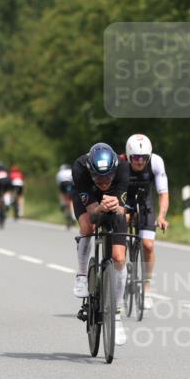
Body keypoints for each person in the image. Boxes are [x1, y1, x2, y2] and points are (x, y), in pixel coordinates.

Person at [72, 143, 130, 345]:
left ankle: (116, 314)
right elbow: (92, 212)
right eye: (99, 177)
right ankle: (81, 275)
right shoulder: (80, 168)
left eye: (108, 177)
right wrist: (100, 207)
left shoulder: (123, 167)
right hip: (89, 201)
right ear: (91, 171)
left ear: (114, 170)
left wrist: (117, 207)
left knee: (119, 258)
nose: (104, 182)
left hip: (115, 201)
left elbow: (123, 212)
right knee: (88, 227)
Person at [122, 134, 169, 309]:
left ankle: (147, 287)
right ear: (128, 156)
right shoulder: (121, 164)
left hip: (145, 200)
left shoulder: (156, 162)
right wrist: (123, 211)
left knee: (148, 245)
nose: (140, 161)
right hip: (125, 199)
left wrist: (162, 216)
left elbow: (163, 193)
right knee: (121, 229)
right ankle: (120, 271)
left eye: (143, 158)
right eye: (135, 157)